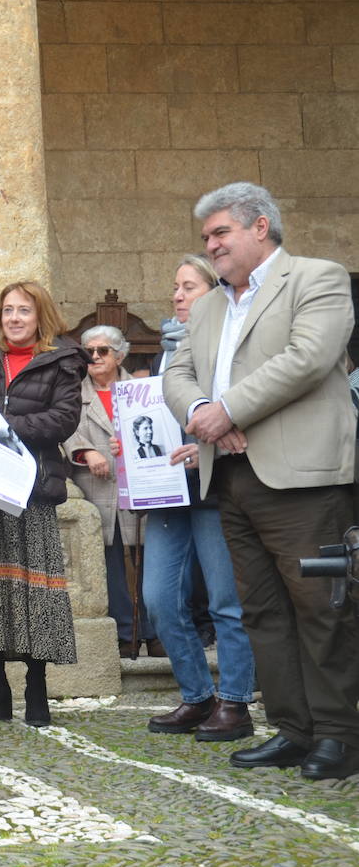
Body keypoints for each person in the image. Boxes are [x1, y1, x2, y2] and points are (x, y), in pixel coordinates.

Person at [164, 181, 359, 781]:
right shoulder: (209, 306)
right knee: (263, 611)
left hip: (303, 479)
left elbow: (307, 359)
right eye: (206, 237)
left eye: (220, 232)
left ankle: (339, 735)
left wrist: (227, 411)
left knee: (322, 608)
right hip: (231, 475)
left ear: (260, 226)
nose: (211, 245)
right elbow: (177, 373)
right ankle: (293, 729)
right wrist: (203, 412)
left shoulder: (317, 278)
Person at [0, 281, 87, 729]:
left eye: (23, 310)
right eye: (7, 310)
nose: (14, 318)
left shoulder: (62, 360)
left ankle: (36, 686)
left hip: (32, 490)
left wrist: (2, 426)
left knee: (34, 592)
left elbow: (64, 418)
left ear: (40, 315)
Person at [141, 254, 256, 743]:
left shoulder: (231, 344)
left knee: (226, 601)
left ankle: (235, 702)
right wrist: (133, 450)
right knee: (159, 599)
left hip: (215, 487)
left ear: (213, 292)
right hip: (167, 493)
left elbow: (242, 408)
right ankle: (197, 695)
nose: (178, 295)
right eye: (175, 287)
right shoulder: (163, 355)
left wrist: (205, 447)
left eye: (188, 286)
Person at [65, 326, 160, 659]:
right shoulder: (74, 393)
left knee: (148, 561)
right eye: (89, 351)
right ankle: (125, 632)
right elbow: (67, 431)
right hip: (97, 488)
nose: (94, 357)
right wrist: (87, 451)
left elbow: (156, 430)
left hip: (139, 486)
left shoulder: (141, 390)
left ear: (119, 356)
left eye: (102, 351)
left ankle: (154, 632)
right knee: (111, 564)